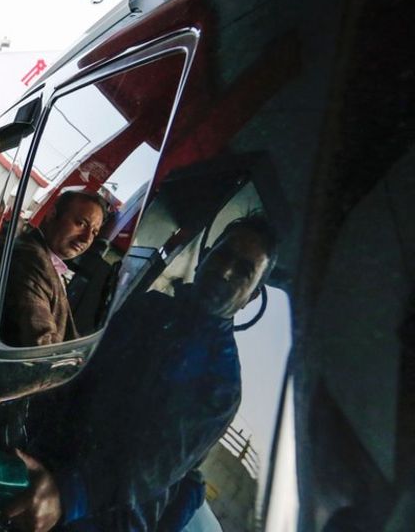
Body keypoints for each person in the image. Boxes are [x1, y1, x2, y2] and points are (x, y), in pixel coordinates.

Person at [22, 215, 278, 531]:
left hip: (100, 518)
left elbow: (152, 467)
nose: (225, 271)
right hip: (39, 467)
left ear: (251, 296)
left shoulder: (221, 382)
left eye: (243, 271)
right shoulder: (148, 308)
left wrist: (67, 495)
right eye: (222, 255)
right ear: (204, 256)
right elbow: (79, 377)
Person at [0, 189, 107, 347]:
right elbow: (39, 345)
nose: (86, 238)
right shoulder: (31, 260)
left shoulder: (46, 260)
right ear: (52, 215)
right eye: (81, 223)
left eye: (94, 233)